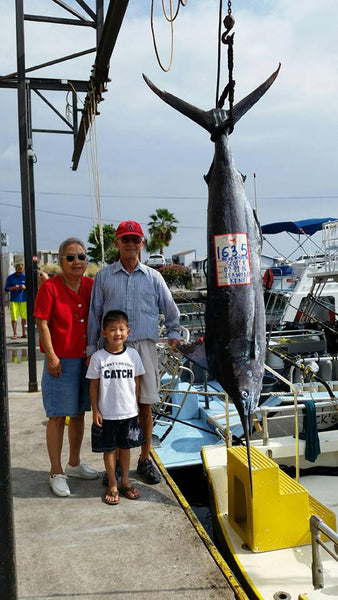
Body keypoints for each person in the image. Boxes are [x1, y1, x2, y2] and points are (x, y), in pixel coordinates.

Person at [87, 220, 180, 484]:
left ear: (142, 243)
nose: (130, 244)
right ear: (117, 243)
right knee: (113, 409)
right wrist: (92, 349)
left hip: (145, 348)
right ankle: (114, 465)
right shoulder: (104, 277)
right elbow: (95, 315)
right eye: (125, 239)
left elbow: (171, 309)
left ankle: (144, 459)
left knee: (145, 406)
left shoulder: (154, 277)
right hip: (111, 350)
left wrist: (173, 333)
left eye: (135, 240)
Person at [34, 238, 98, 497]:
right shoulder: (49, 288)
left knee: (79, 413)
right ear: (60, 261)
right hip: (60, 361)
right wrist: (51, 356)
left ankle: (73, 462)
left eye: (81, 257)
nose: (77, 262)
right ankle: (56, 470)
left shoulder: (91, 286)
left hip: (85, 360)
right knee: (58, 415)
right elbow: (42, 323)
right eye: (70, 257)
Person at [86, 310, 145, 505]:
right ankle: (112, 482)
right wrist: (95, 410)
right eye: (112, 330)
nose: (117, 334)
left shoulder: (133, 355)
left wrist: (135, 405)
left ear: (127, 332)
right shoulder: (98, 357)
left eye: (121, 329)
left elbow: (136, 381)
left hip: (128, 412)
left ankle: (125, 481)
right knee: (109, 450)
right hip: (107, 414)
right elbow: (93, 385)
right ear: (104, 333)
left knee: (126, 448)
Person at [5, 262, 27, 339]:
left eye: (20, 272)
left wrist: (25, 287)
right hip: (14, 300)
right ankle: (15, 334)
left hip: (24, 299)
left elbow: (31, 288)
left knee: (24, 317)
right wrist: (14, 288)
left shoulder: (25, 277)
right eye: (18, 272)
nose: (19, 273)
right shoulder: (10, 277)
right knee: (14, 318)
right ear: (15, 269)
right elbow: (6, 289)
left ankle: (24, 333)